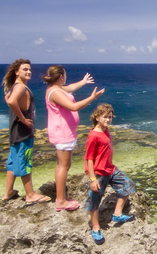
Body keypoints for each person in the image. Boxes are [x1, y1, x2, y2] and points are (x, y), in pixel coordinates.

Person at [43, 65, 105, 211]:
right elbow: (74, 107)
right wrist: (92, 98)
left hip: (63, 132)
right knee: (64, 166)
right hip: (63, 133)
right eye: (65, 74)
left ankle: (61, 196)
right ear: (61, 77)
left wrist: (83, 82)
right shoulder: (55, 92)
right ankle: (60, 201)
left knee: (61, 165)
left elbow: (70, 88)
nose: (66, 77)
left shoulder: (56, 88)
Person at [84, 103, 136, 244]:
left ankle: (117, 214)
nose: (108, 119)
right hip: (99, 173)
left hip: (110, 169)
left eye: (110, 117)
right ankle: (96, 228)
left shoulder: (105, 130)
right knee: (94, 200)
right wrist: (93, 179)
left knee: (127, 184)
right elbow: (89, 158)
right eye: (105, 117)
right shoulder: (93, 136)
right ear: (97, 117)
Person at [2, 59, 50, 205]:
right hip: (22, 132)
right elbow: (12, 101)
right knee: (25, 160)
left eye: (29, 69)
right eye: (25, 69)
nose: (28, 72)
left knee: (13, 161)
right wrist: (23, 119)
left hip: (15, 132)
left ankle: (8, 192)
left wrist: (18, 114)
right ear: (17, 72)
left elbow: (8, 99)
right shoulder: (21, 86)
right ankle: (30, 194)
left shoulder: (15, 86)